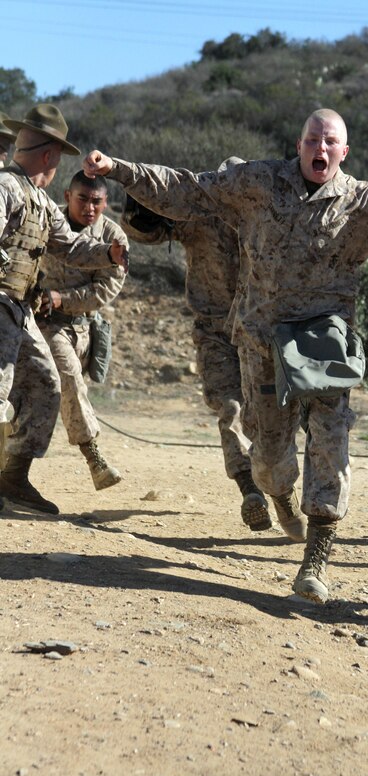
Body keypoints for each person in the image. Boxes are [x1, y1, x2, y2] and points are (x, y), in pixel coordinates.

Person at [82, 108, 368, 603]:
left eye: (330, 142)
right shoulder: (257, 183)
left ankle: (316, 558)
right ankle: (279, 495)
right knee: (269, 458)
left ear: (344, 152)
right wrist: (119, 170)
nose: (321, 149)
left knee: (330, 440)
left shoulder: (363, 202)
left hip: (323, 341)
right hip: (261, 339)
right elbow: (187, 188)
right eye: (313, 140)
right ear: (299, 145)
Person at [120, 159, 272, 531]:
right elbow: (153, 231)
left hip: (261, 336)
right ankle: (250, 488)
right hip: (215, 332)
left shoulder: (268, 221)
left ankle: (280, 488)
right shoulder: (200, 215)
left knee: (270, 417)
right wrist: (138, 207)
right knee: (230, 407)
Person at [0, 104, 128, 515]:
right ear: (50, 156)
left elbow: (69, 246)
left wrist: (107, 254)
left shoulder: (39, 200)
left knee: (45, 384)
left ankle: (13, 477)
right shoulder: (6, 187)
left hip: (19, 312)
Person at [36, 171, 127, 490]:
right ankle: (92, 458)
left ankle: (16, 470)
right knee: (64, 378)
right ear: (67, 197)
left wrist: (61, 298)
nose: (89, 208)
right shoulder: (47, 223)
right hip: (41, 323)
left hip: (82, 328)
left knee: (63, 383)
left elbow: (106, 289)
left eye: (96, 202)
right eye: (83, 199)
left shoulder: (112, 237)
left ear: (106, 203)